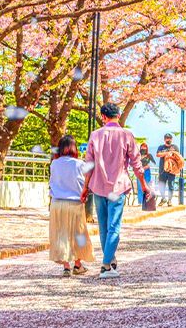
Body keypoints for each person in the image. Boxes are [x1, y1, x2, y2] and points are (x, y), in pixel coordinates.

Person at [81, 103, 148, 279]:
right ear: (118, 116)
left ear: (103, 117)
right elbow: (136, 163)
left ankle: (109, 261)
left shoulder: (95, 135)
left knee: (103, 227)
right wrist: (143, 184)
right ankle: (106, 265)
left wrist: (84, 187)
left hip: (98, 186)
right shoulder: (127, 135)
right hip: (118, 187)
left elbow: (89, 164)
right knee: (114, 227)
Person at [50, 135, 94, 278]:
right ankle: (77, 264)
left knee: (61, 234)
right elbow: (84, 182)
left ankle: (66, 266)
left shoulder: (54, 164)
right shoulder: (79, 164)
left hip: (57, 203)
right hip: (75, 203)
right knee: (78, 234)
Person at [156, 133, 177, 206]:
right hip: (162, 170)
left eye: (170, 138)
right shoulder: (161, 147)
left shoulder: (175, 147)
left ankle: (170, 200)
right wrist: (167, 153)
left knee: (171, 185)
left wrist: (170, 156)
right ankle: (163, 198)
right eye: (167, 138)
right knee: (162, 185)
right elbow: (158, 154)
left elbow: (177, 157)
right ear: (164, 139)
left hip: (171, 170)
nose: (169, 140)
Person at [134, 143, 155, 207]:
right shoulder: (138, 155)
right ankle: (140, 201)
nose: (143, 149)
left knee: (147, 185)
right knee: (140, 186)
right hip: (140, 171)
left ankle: (146, 201)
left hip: (147, 171)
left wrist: (148, 165)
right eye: (142, 147)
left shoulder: (149, 155)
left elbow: (154, 163)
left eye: (145, 147)